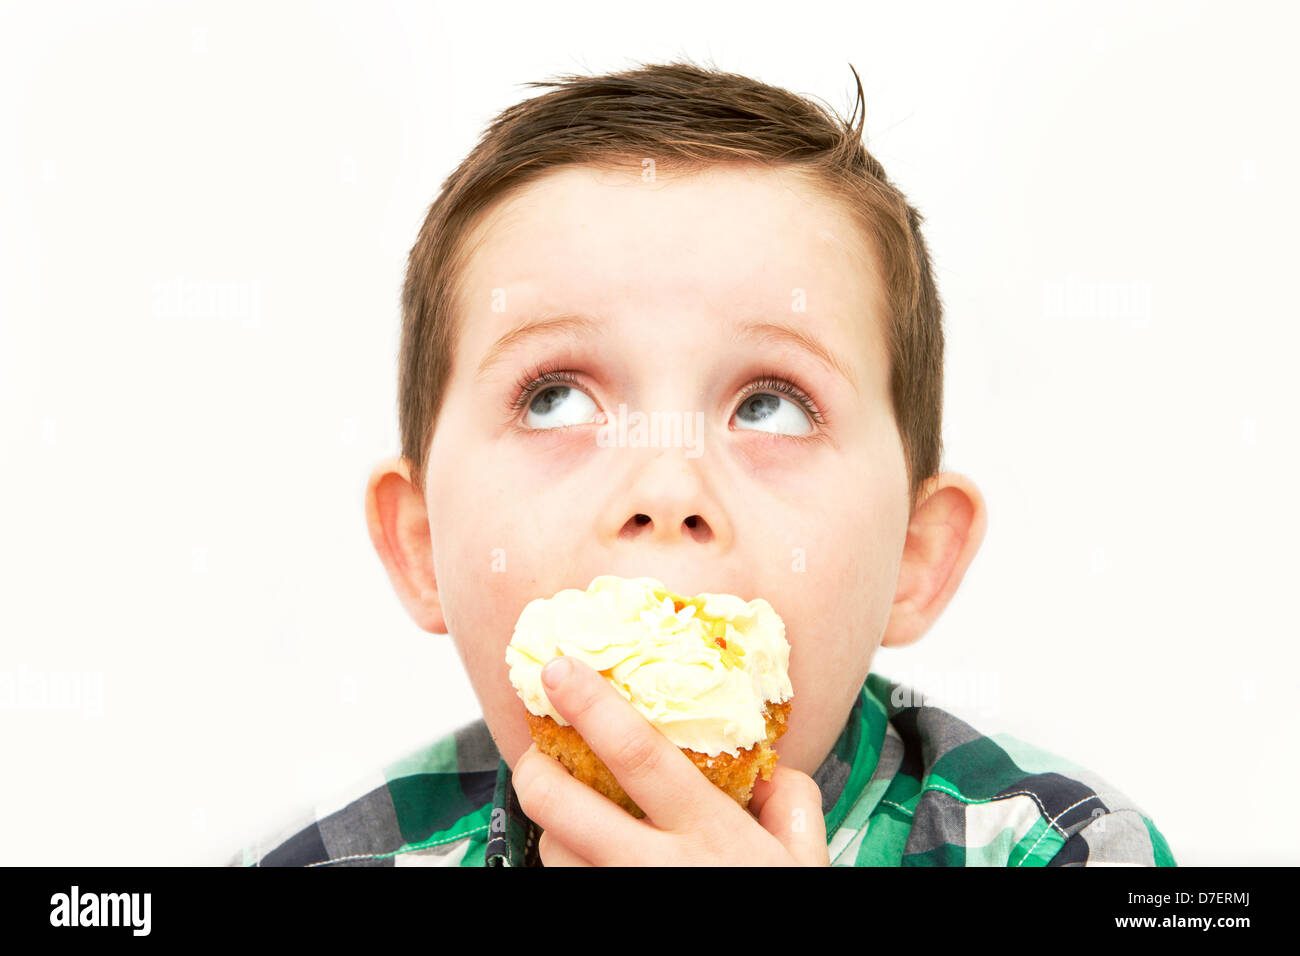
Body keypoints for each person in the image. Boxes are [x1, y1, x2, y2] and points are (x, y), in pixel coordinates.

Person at [232, 59, 1175, 867]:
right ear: (423, 546)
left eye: (770, 406)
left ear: (914, 559)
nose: (666, 486)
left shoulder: (1063, 848)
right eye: (555, 397)